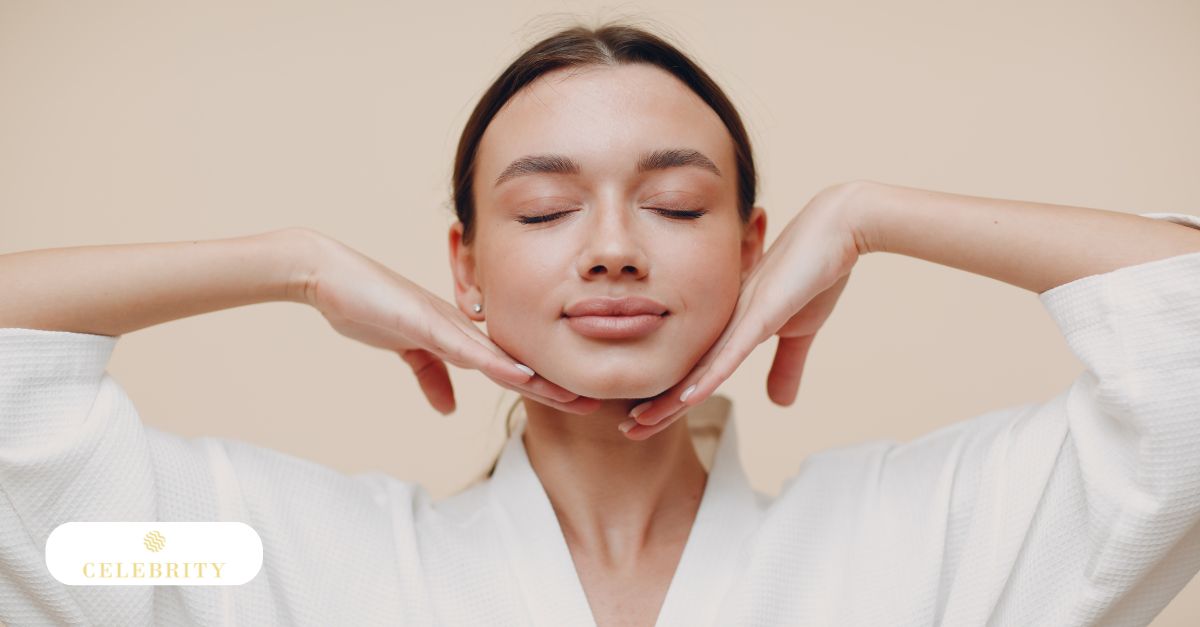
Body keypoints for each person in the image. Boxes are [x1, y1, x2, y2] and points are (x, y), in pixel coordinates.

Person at [2, 21, 1200, 627]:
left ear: (754, 249)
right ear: (462, 264)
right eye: (545, 207)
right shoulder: (279, 563)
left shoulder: (921, 546)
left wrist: (872, 216)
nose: (615, 244)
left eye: (677, 203)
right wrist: (292, 264)